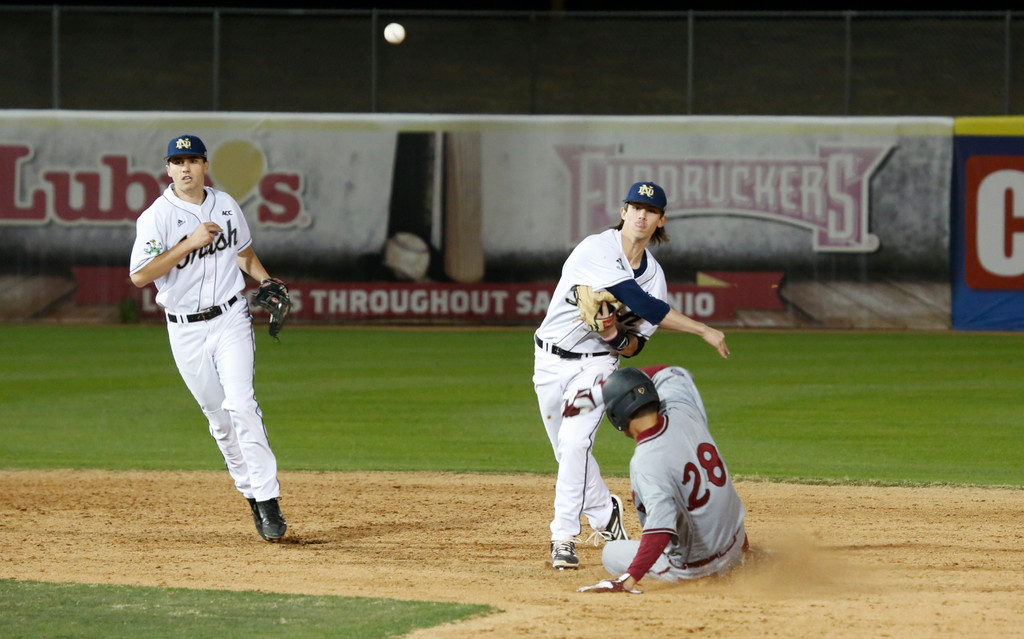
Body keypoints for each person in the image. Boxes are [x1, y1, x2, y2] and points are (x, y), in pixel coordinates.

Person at [533, 181, 730, 570]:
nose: (642, 215)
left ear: (661, 221)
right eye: (636, 207)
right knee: (566, 451)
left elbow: (635, 345)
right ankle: (604, 510)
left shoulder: (654, 276)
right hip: (548, 360)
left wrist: (612, 335)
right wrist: (702, 329)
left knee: (575, 444)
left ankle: (563, 537)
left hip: (596, 365)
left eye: (651, 210)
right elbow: (639, 302)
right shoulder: (596, 249)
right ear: (623, 212)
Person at [129, 134, 288, 542]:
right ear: (168, 169)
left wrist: (265, 279)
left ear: (205, 166)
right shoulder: (156, 216)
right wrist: (189, 244)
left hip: (230, 317)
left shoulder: (226, 204)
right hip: (185, 329)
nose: (186, 168)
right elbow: (140, 275)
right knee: (220, 420)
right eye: (178, 161)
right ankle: (251, 494)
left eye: (193, 160)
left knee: (242, 405)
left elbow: (243, 253)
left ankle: (268, 500)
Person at [577, 366, 747, 593]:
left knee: (611, 553)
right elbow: (671, 371)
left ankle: (705, 575)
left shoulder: (647, 461)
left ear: (617, 415)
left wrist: (628, 579)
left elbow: (661, 529)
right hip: (737, 541)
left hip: (702, 565)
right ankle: (747, 555)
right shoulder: (681, 408)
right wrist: (612, 386)